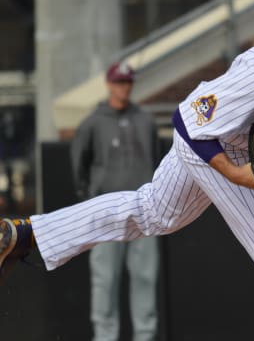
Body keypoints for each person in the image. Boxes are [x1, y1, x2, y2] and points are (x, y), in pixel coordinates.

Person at [0, 0, 254, 340]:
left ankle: (26, 234)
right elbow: (187, 124)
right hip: (212, 141)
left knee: (153, 212)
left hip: (235, 141)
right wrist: (236, 174)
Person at [71, 61, 160, 341]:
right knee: (105, 279)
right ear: (109, 84)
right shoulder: (92, 123)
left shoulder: (145, 121)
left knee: (145, 276)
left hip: (143, 209)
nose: (125, 87)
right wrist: (89, 199)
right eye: (120, 82)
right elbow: (79, 165)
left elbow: (156, 159)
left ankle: (145, 335)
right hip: (107, 212)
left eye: (128, 82)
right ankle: (104, 336)